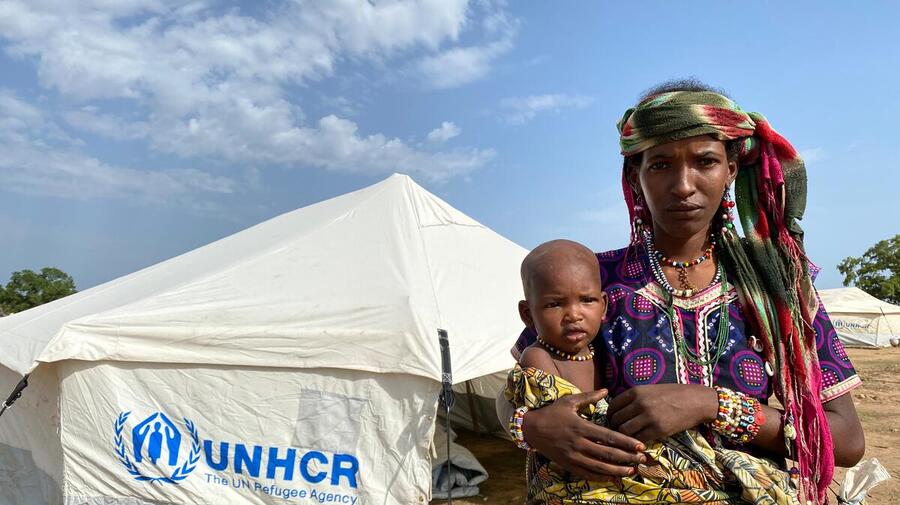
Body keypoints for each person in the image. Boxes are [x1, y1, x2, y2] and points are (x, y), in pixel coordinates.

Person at [499, 80, 865, 505]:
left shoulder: (775, 287)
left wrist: (711, 404)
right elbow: (514, 395)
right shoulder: (590, 283)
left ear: (731, 170)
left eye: (705, 161)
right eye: (660, 165)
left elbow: (846, 441)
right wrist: (532, 427)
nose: (683, 185)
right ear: (635, 176)